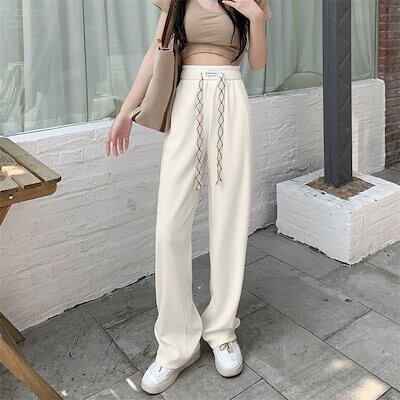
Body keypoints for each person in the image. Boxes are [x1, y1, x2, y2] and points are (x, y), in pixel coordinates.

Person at [105, 0, 272, 394]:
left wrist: (255, 16)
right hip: (186, 98)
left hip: (231, 95)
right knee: (169, 229)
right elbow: (156, 49)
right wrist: (127, 110)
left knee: (230, 220)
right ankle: (176, 345)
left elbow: (258, 62)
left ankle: (222, 330)